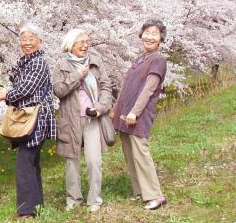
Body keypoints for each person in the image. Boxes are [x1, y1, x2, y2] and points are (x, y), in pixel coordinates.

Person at [0, 24, 56, 220]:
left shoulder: (38, 63)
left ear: (40, 41)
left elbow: (26, 88)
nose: (27, 42)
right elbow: (19, 87)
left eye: (31, 39)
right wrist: (3, 92)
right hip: (29, 118)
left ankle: (27, 211)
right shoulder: (25, 62)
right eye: (24, 39)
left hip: (36, 119)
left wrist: (7, 94)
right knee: (31, 163)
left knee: (24, 164)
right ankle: (35, 207)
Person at [52, 29, 113, 212]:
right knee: (72, 162)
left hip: (92, 118)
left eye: (87, 41)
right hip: (70, 120)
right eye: (81, 42)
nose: (85, 45)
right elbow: (59, 91)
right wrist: (77, 75)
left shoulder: (96, 62)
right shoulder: (60, 65)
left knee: (94, 161)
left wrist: (101, 108)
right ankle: (74, 199)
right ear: (71, 44)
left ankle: (94, 199)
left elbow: (106, 87)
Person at [110, 19, 168, 210]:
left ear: (160, 39)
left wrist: (134, 112)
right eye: (147, 33)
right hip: (124, 113)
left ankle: (155, 195)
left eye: (155, 34)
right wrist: (116, 108)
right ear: (141, 35)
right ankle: (140, 190)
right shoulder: (140, 58)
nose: (150, 37)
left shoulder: (158, 60)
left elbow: (148, 90)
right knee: (129, 153)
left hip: (139, 114)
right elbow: (127, 86)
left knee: (140, 153)